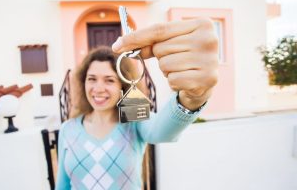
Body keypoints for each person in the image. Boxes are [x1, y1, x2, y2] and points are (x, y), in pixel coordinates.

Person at [55, 18, 219, 190]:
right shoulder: (68, 128)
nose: (98, 88)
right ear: (83, 83)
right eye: (92, 79)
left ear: (122, 85)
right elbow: (62, 186)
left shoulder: (133, 120)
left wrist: (193, 97)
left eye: (109, 80)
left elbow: (161, 131)